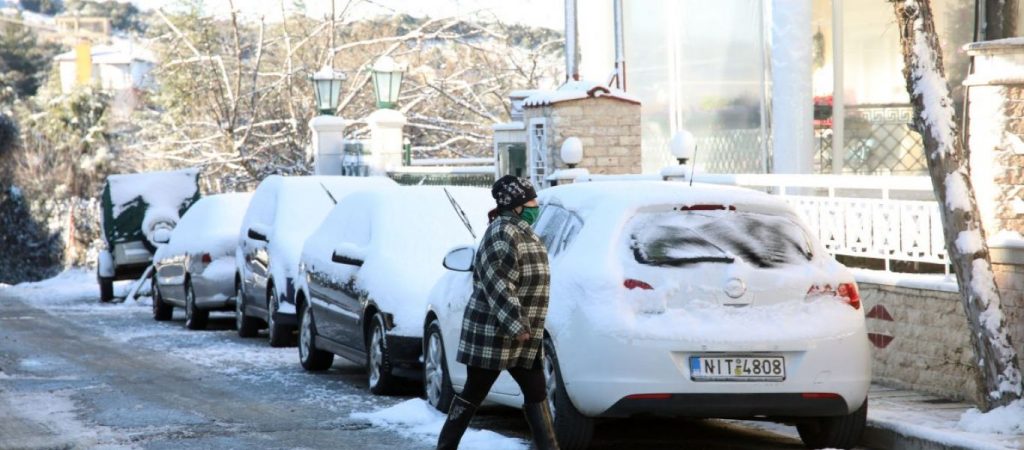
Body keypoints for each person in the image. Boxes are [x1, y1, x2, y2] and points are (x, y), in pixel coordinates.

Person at [436, 175, 559, 450]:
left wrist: (524, 328)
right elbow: (499, 284)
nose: (536, 206)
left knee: (537, 392)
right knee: (474, 391)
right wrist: (518, 325)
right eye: (531, 201)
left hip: (523, 335)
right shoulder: (502, 232)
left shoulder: (523, 232)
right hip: (493, 333)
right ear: (516, 205)